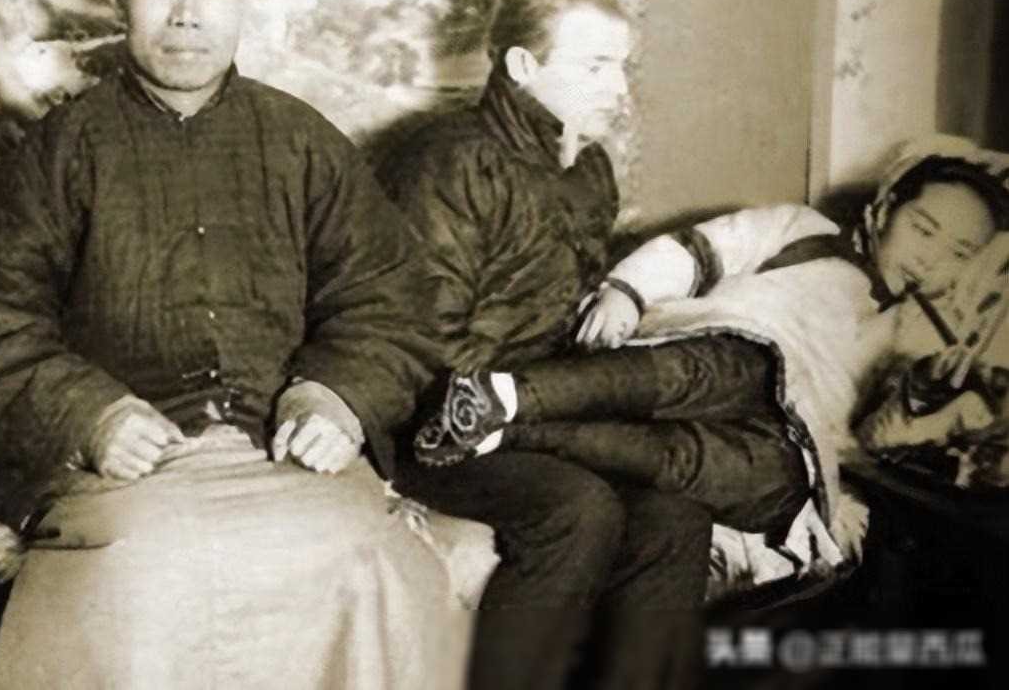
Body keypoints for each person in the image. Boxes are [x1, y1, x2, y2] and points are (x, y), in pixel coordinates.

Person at [0, 0, 458, 686]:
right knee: (146, 573)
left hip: (287, 456)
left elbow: (388, 297)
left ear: (243, 0)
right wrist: (89, 414)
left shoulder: (302, 142)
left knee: (366, 559)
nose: (186, 13)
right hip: (125, 470)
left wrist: (334, 396)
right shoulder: (63, 148)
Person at [429, 147, 1008, 593]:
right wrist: (627, 291)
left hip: (770, 428)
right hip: (702, 358)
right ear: (884, 209)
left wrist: (920, 400)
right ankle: (512, 393)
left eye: (959, 253)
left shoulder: (913, 337)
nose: (930, 257)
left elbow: (872, 441)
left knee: (774, 474)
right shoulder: (807, 232)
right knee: (742, 365)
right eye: (923, 228)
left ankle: (504, 429)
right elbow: (699, 249)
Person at [381, 0, 712, 690]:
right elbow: (424, 347)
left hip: (533, 411)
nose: (618, 88)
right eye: (595, 66)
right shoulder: (451, 161)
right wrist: (551, 414)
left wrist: (616, 307)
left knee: (676, 513)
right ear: (523, 66)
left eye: (620, 67)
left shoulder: (588, 167)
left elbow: (564, 313)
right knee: (578, 509)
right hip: (437, 420)